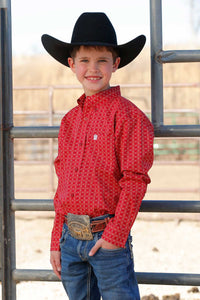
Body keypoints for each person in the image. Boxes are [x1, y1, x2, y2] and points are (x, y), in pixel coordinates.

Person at [41, 12, 154, 300]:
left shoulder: (130, 118)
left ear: (115, 64)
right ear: (72, 64)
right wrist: (57, 240)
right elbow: (63, 184)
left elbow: (135, 180)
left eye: (102, 60)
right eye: (84, 61)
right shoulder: (69, 121)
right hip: (70, 238)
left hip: (107, 236)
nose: (93, 68)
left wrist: (115, 236)